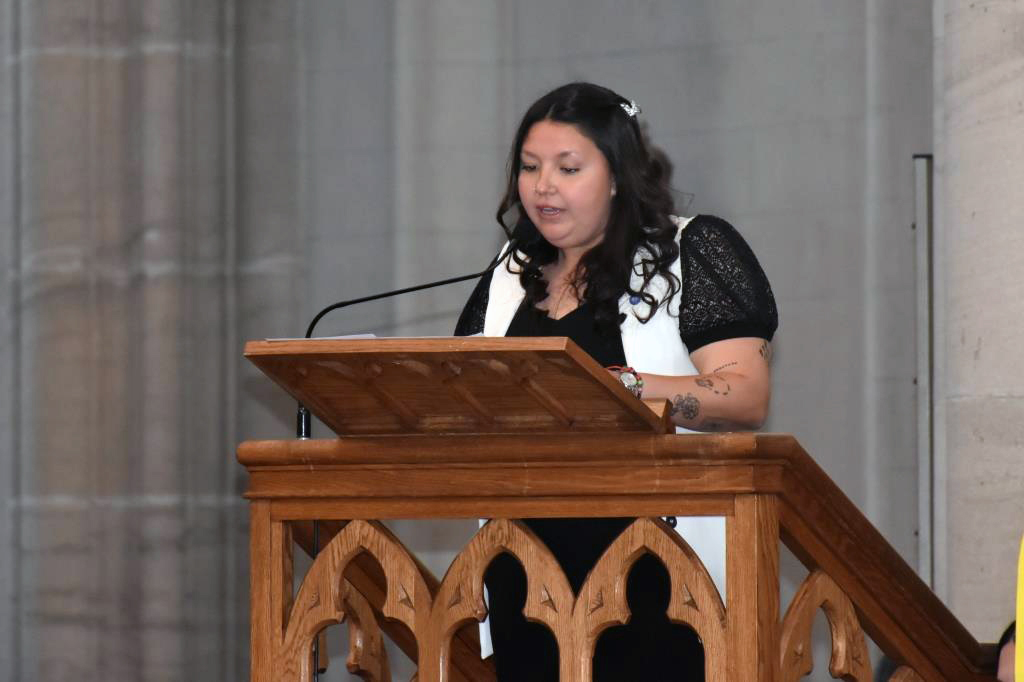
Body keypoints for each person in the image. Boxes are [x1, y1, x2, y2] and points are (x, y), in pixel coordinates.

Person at [454, 82, 778, 681]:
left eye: (567, 167)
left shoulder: (690, 250)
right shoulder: (508, 275)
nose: (542, 186)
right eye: (529, 167)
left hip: (657, 572)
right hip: (525, 569)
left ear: (617, 177)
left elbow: (747, 395)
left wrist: (622, 387)